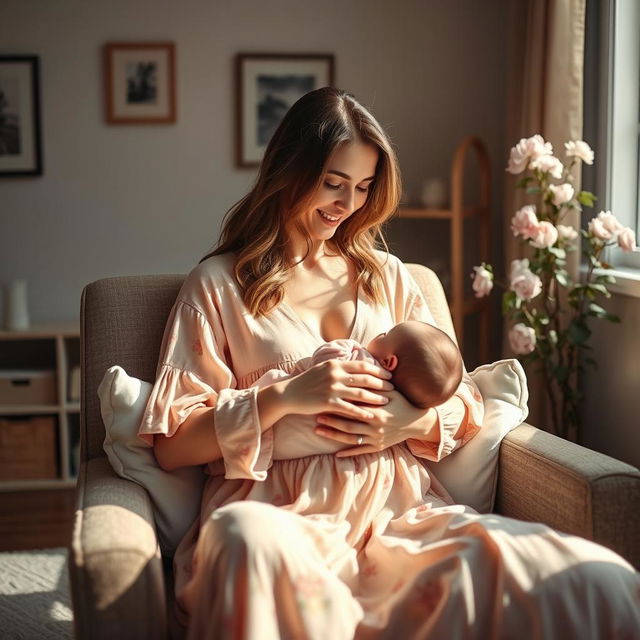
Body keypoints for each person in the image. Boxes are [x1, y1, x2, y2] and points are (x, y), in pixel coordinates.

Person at [139, 87, 639, 639]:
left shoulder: (390, 278)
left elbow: (463, 403)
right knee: (245, 541)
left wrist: (411, 422)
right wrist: (283, 398)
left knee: (579, 576)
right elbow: (173, 444)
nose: (346, 204)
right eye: (333, 182)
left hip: (398, 522)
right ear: (288, 169)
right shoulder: (219, 286)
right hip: (283, 517)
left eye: (362, 187)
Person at [257, 320, 464, 461]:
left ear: (388, 361)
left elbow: (323, 363)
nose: (379, 334)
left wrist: (347, 347)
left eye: (384, 334)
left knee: (275, 380)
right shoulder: (398, 395)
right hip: (347, 460)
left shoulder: (361, 362)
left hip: (287, 438)